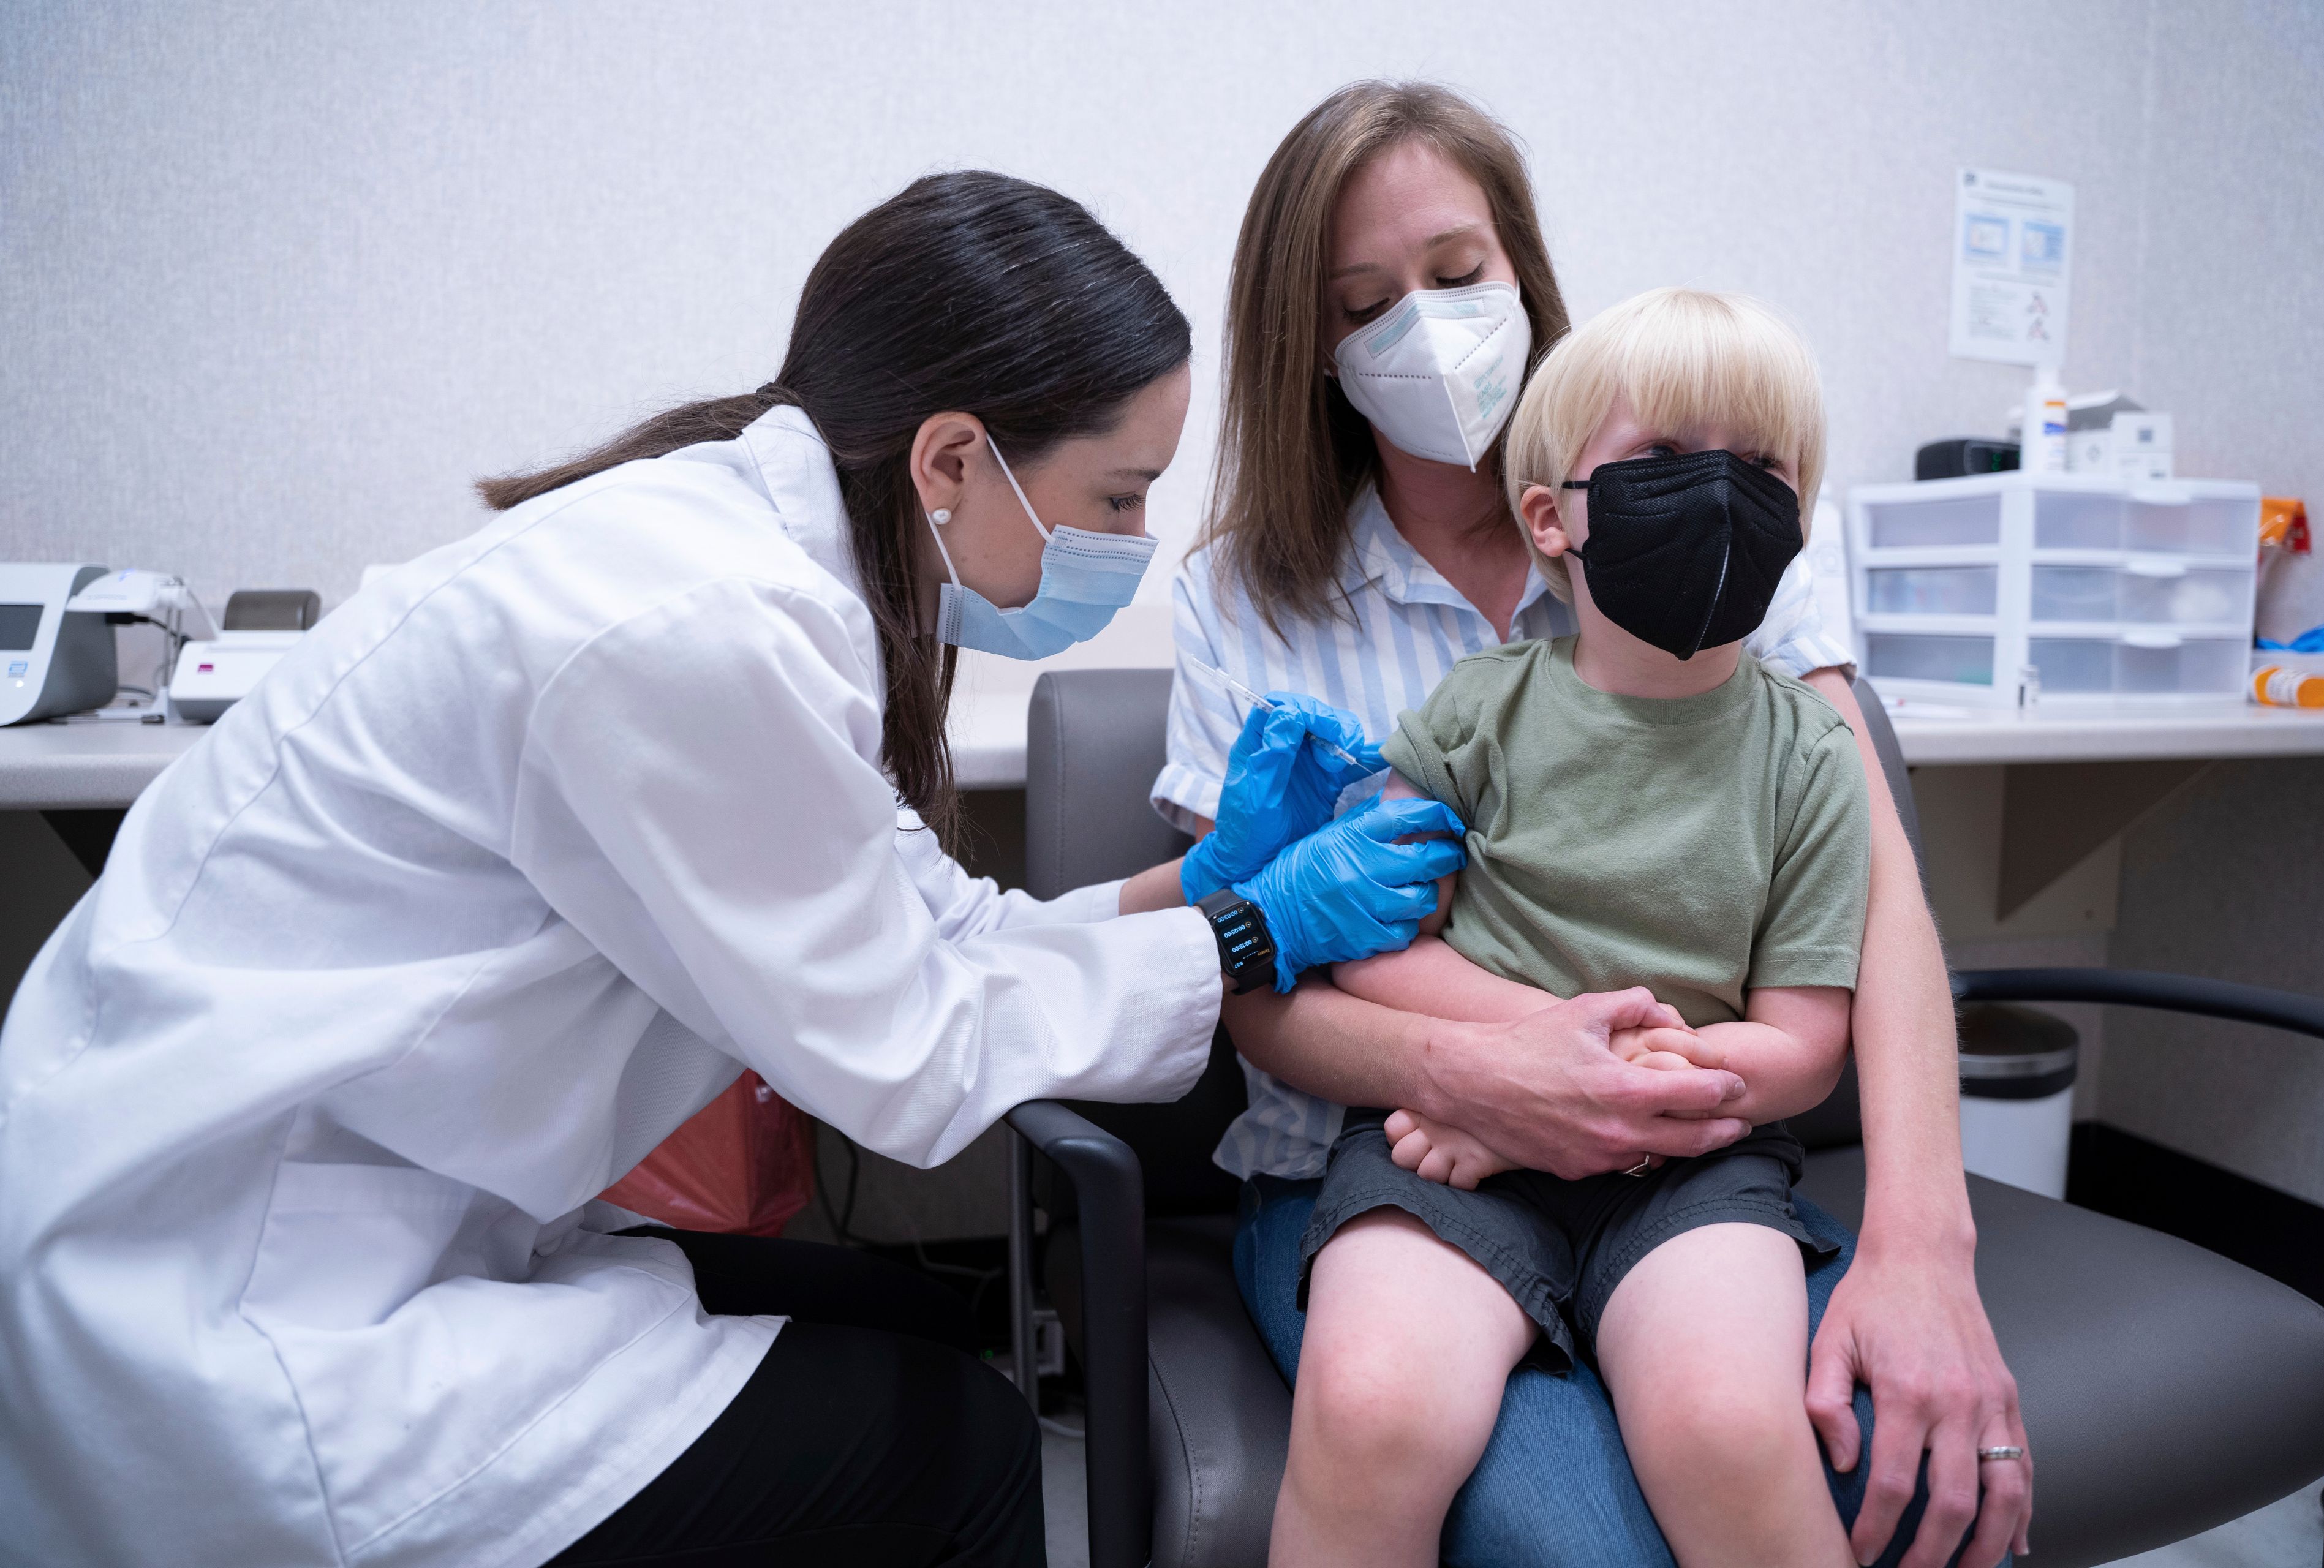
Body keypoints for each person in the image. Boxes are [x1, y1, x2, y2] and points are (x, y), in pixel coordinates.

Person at [0, 172, 1463, 1568]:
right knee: (964, 1450)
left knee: (909, 1318)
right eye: (1120, 496)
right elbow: (913, 1051)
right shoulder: (698, 628)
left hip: (340, 1204)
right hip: (242, 1312)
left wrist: (1206, 884)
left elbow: (942, 928)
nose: (1138, 544)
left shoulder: (753, 573)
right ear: (953, 460)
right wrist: (1253, 936)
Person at [1158, 83, 2031, 1566]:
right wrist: (1504, 1071)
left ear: (1524, 268)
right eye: (1364, 303)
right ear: (1307, 341)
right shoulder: (1253, 600)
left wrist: (1921, 1237)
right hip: (1402, 1154)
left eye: (1456, 274)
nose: (1424, 328)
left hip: (1689, 1157)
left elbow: (1869, 898)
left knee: (1795, 1465)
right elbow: (1261, 953)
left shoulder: (1724, 532)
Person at [1281, 287, 1879, 1567]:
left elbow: (1804, 1049)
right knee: (1372, 1405)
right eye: (1663, 459)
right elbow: (1372, 945)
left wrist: (1628, 1084)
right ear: (1550, 516)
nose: (1716, 489)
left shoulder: (1815, 753)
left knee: (1731, 1426)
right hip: (1447, 1134)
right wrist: (1533, 1063)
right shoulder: (1473, 713)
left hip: (1696, 1163)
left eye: (1760, 464)